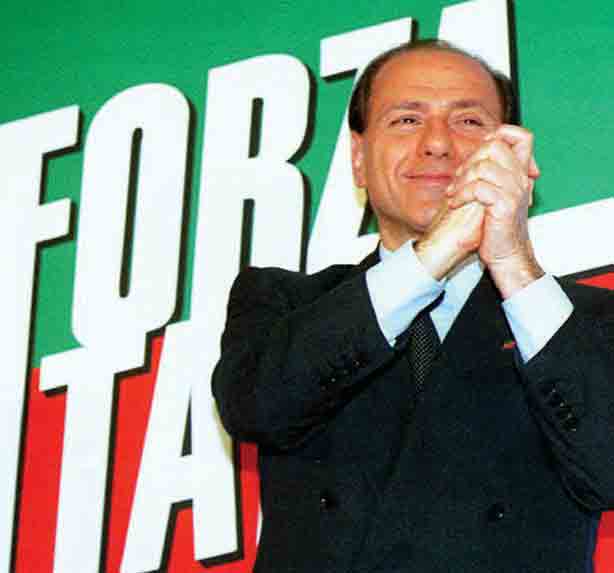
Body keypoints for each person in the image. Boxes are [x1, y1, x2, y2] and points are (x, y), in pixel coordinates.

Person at [212, 39, 614, 573]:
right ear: (358, 159)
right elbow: (256, 407)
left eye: (468, 122)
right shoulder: (286, 302)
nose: (438, 144)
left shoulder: (584, 322)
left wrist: (512, 261)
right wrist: (433, 256)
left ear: (513, 156)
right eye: (406, 120)